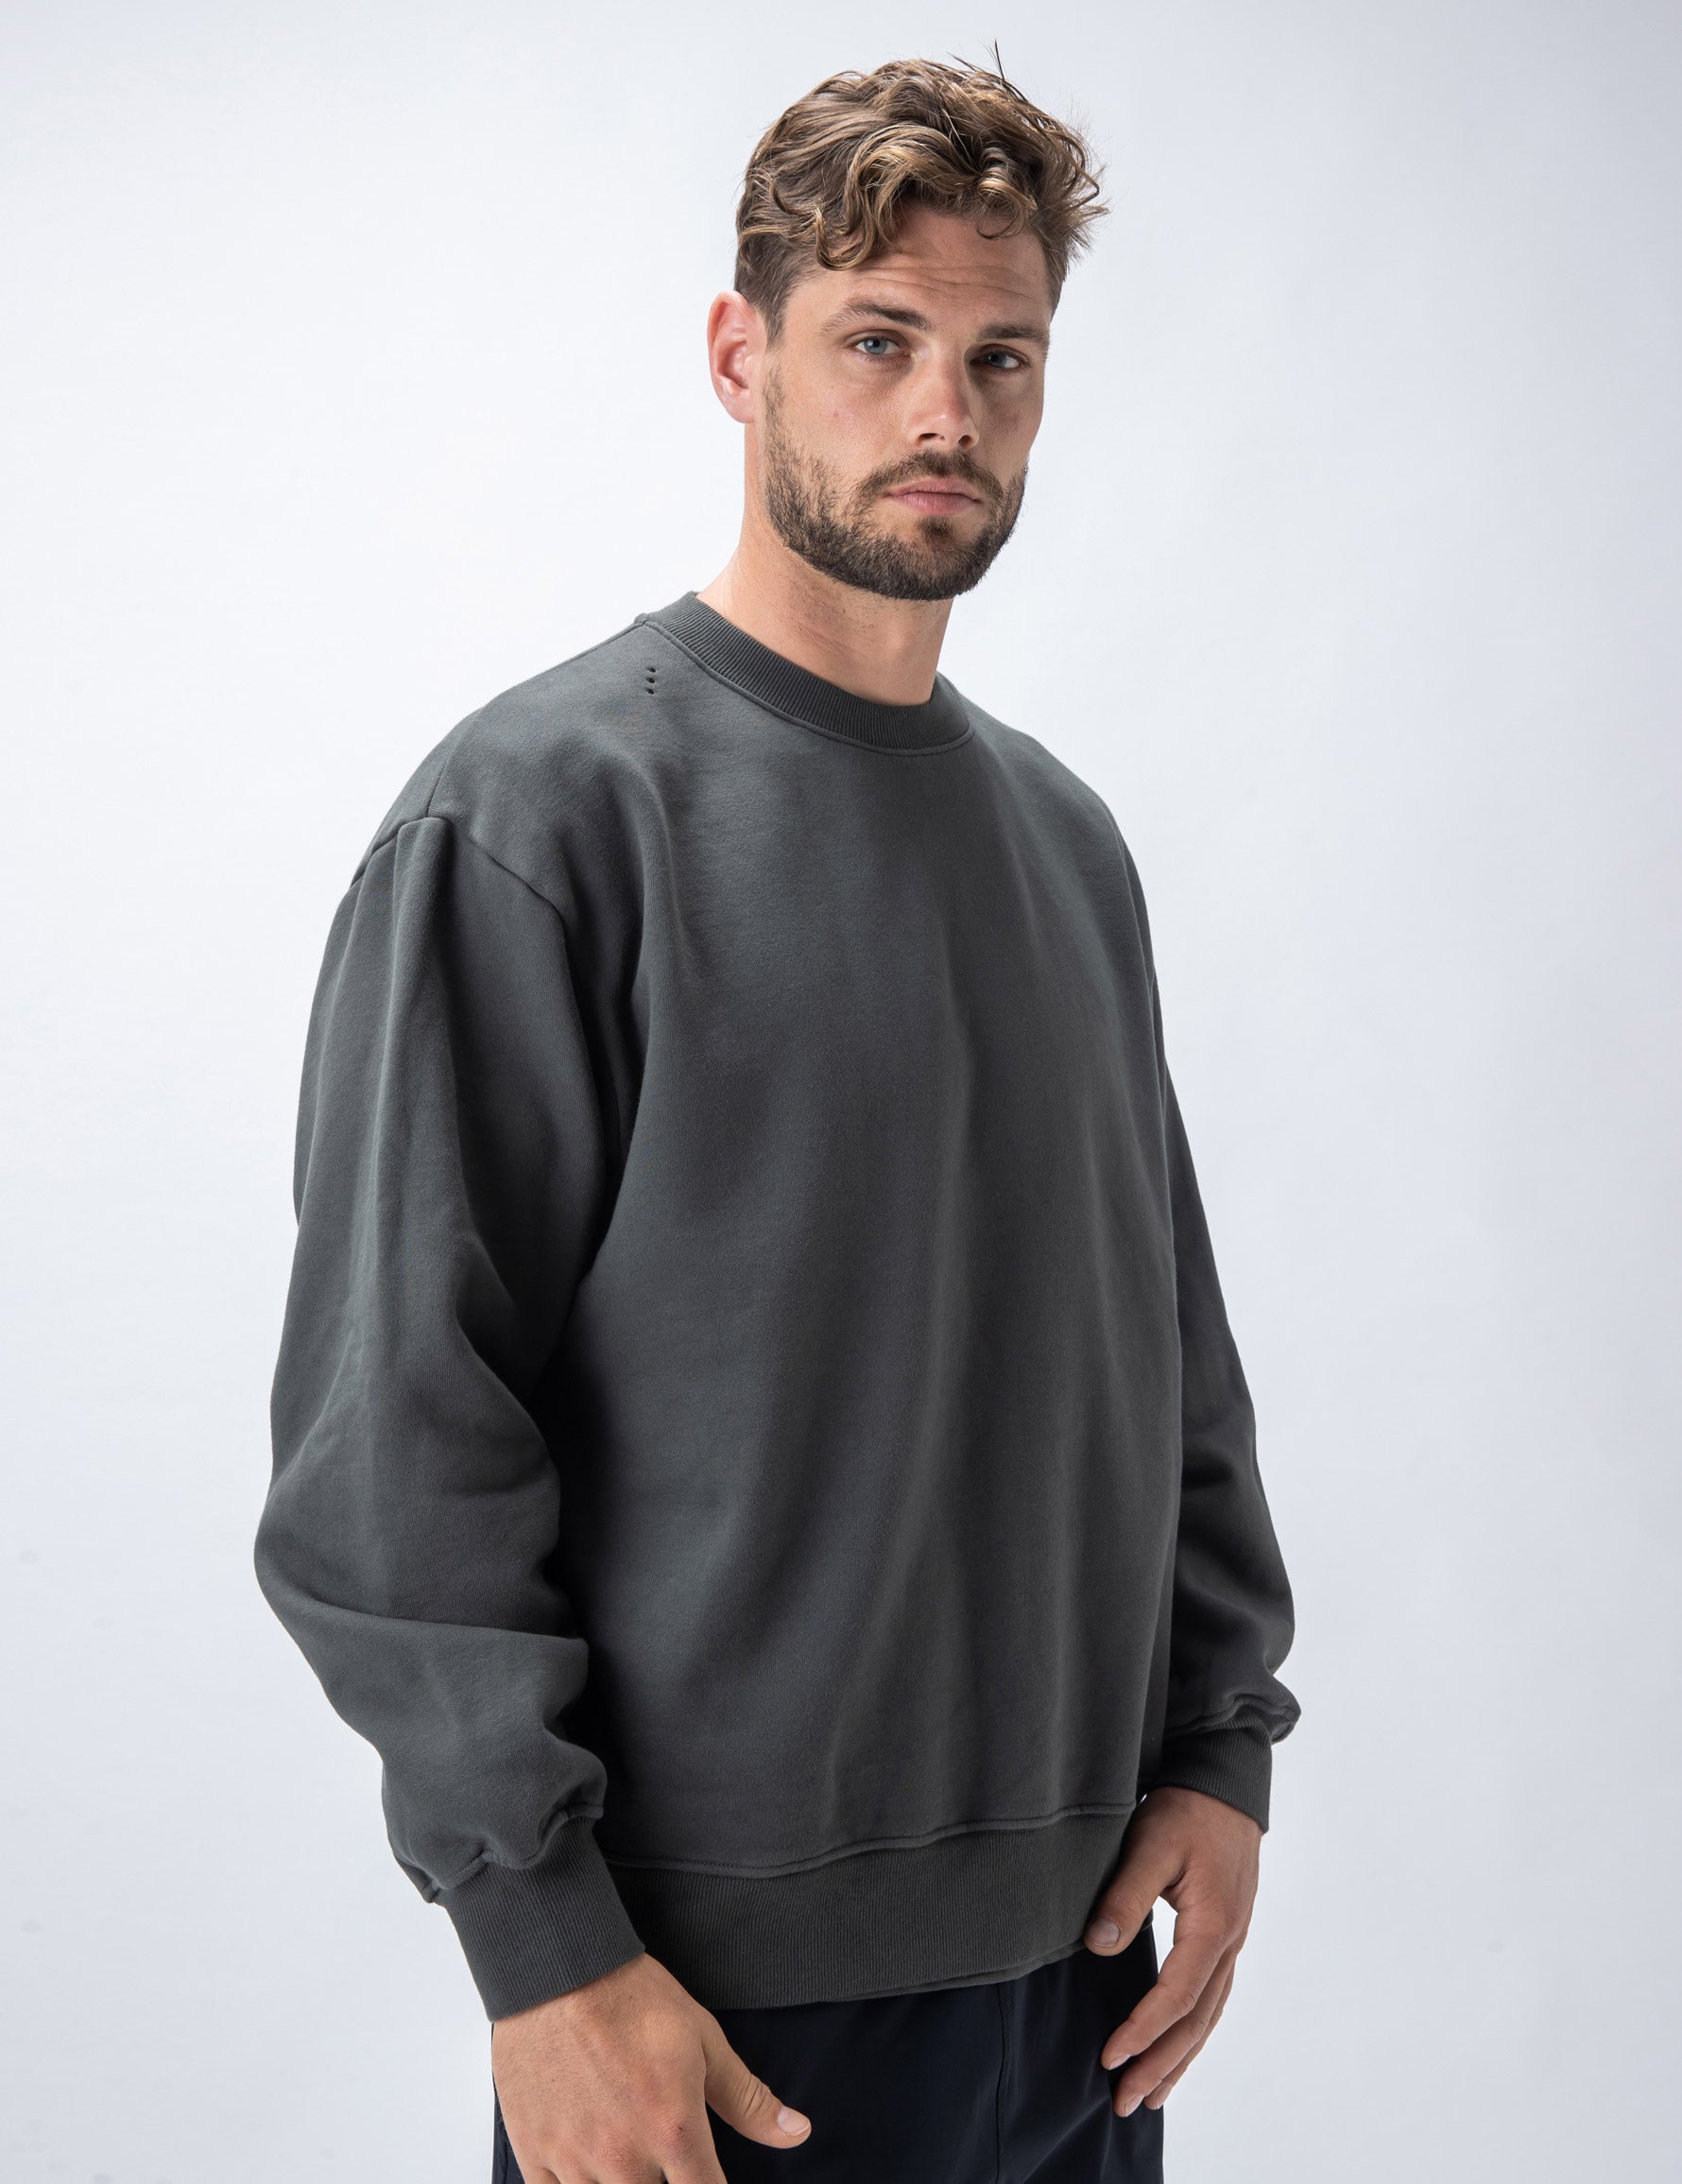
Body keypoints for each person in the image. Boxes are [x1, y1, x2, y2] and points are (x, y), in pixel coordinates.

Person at [255, 57, 1300, 2184]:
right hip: (707, 2026)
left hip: (1084, 1996)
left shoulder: (1068, 845)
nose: (947, 413)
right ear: (741, 357)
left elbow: (1160, 1344)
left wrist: (1221, 1743)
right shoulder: (540, 821)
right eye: (878, 342)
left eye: (1002, 358)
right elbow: (392, 1457)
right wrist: (545, 1951)